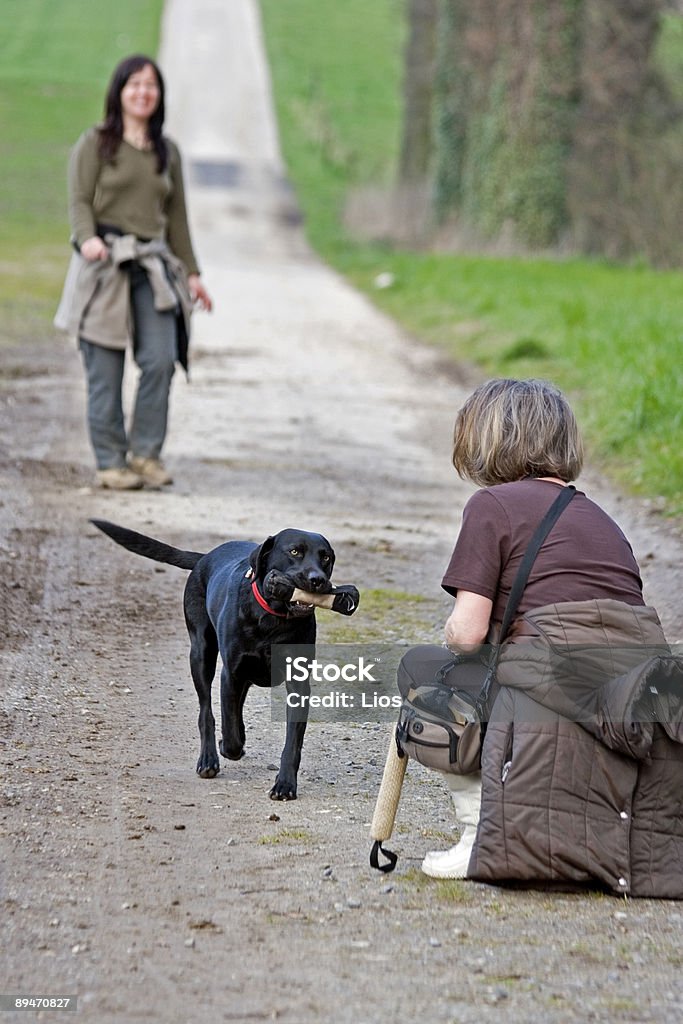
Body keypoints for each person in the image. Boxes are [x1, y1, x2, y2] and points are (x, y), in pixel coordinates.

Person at [399, 378, 683, 898]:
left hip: (552, 686)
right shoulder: (603, 519)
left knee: (423, 671)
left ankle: (477, 832)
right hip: (630, 695)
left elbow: (467, 634)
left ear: (487, 440)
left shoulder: (492, 506)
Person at [55, 54, 212, 490]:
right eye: (134, 84)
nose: (143, 92)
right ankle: (110, 461)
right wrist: (87, 239)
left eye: (151, 85)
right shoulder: (96, 143)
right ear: (119, 92)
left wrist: (193, 274)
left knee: (161, 360)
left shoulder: (167, 152)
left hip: (153, 266)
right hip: (104, 263)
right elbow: (79, 201)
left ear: (158, 95)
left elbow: (177, 218)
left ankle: (146, 455)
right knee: (104, 367)